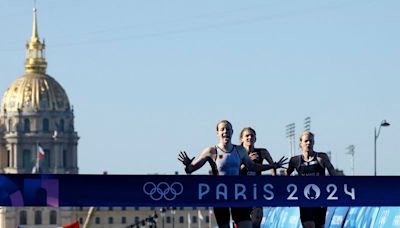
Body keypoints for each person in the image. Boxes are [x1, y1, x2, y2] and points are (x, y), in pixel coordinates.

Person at [178, 120, 287, 228]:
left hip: (238, 194)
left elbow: (253, 167)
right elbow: (190, 170)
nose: (225, 131)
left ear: (232, 132)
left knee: (247, 225)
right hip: (220, 195)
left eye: (228, 129)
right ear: (217, 133)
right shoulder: (211, 151)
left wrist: (272, 166)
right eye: (222, 129)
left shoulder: (240, 150)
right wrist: (188, 164)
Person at [285, 131, 336, 228]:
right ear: (301, 143)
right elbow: (285, 178)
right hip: (304, 200)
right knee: (309, 225)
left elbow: (333, 175)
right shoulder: (295, 160)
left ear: (314, 142)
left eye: (311, 141)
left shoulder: (321, 158)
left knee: (319, 226)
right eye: (306, 141)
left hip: (321, 199)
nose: (308, 143)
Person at [239, 127, 276, 228]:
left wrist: (274, 180)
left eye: (252, 135)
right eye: (247, 136)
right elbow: (235, 171)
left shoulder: (262, 152)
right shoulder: (237, 152)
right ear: (241, 139)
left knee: (256, 220)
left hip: (256, 189)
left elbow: (273, 166)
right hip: (241, 191)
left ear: (255, 138)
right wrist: (247, 161)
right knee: (243, 222)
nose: (250, 137)